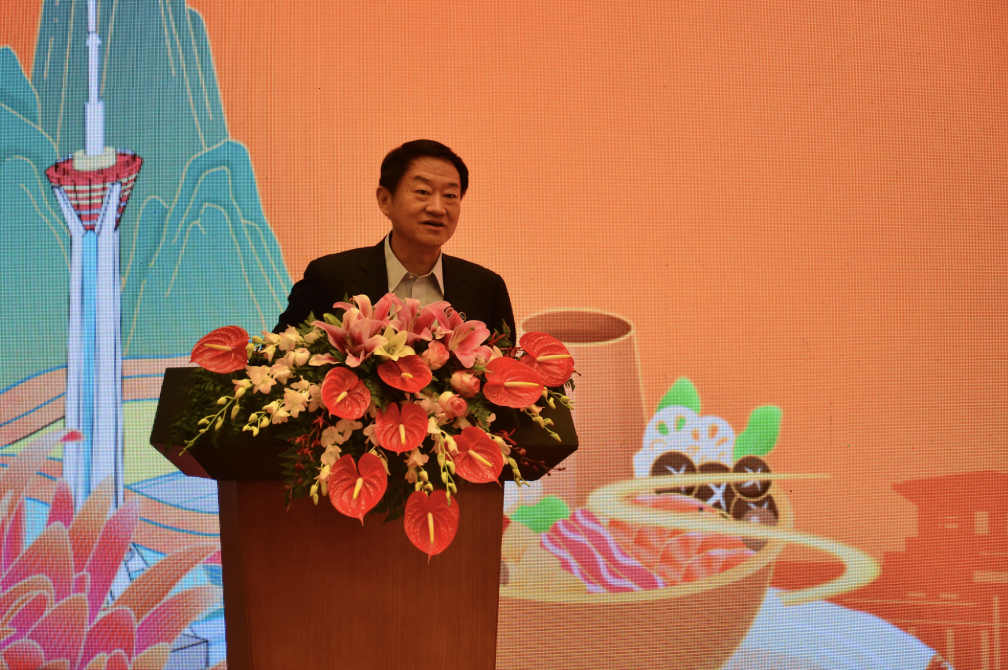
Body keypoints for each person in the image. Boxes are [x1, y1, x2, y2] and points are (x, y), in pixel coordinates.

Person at [274, 140, 516, 338]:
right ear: (385, 200)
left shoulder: (486, 288)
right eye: (423, 192)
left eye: (450, 195)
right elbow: (278, 359)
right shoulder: (330, 277)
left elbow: (507, 372)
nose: (437, 208)